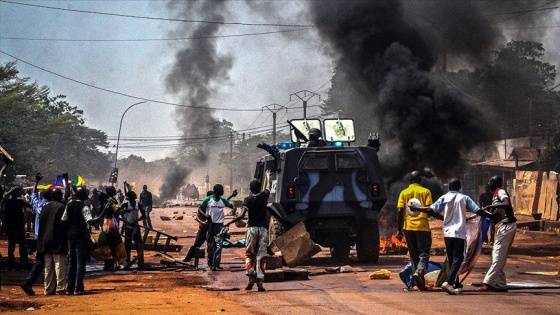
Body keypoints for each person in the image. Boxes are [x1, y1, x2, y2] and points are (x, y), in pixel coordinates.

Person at [411, 178, 496, 295]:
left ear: (449, 188)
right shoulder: (464, 198)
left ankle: (455, 283)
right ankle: (449, 282)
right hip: (459, 232)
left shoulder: (444, 198)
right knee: (459, 258)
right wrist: (491, 215)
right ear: (460, 187)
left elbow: (430, 209)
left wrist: (416, 208)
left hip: (447, 233)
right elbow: (477, 211)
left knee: (451, 259)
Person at [226, 179, 270, 292]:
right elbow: (268, 187)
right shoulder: (264, 196)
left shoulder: (247, 200)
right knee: (261, 256)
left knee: (250, 254)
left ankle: (250, 280)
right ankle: (260, 283)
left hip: (252, 229)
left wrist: (229, 222)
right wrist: (268, 177)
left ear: (250, 189)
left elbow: (241, 216)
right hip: (264, 230)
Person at [63, 186, 106, 295]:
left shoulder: (69, 205)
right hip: (80, 237)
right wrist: (103, 213)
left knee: (72, 262)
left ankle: (69, 288)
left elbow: (63, 220)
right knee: (80, 262)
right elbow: (91, 221)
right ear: (83, 195)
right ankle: (78, 288)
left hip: (70, 236)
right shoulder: (84, 207)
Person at [478, 175, 517, 293]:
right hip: (504, 226)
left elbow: (506, 204)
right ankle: (500, 284)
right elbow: (496, 216)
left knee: (497, 253)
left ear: (494, 183)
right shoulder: (495, 195)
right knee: (498, 254)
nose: (488, 184)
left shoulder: (500, 192)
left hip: (507, 225)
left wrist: (490, 206)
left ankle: (488, 283)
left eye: (490, 182)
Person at [396, 171, 433, 291]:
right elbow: (429, 209)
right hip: (422, 227)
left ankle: (415, 283)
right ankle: (419, 272)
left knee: (413, 256)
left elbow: (399, 211)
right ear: (420, 181)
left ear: (410, 181)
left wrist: (399, 229)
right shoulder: (425, 191)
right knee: (424, 253)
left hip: (408, 227)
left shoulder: (404, 192)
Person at [37, 187, 68, 295]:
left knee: (48, 267)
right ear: (60, 196)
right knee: (60, 266)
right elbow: (64, 224)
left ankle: (48, 289)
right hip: (58, 240)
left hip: (45, 241)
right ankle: (60, 288)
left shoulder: (44, 207)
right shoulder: (62, 207)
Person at [201, 184, 235, 271]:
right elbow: (200, 209)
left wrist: (233, 211)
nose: (223, 192)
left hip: (219, 225)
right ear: (217, 191)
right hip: (210, 225)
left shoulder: (223, 200)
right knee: (210, 245)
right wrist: (205, 215)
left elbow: (232, 206)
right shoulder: (208, 199)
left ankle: (216, 264)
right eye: (221, 190)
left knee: (219, 245)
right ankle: (210, 263)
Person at [117, 182, 146, 267]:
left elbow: (144, 216)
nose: (132, 200)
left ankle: (140, 260)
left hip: (136, 227)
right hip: (128, 227)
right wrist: (124, 211)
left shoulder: (138, 205)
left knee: (138, 244)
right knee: (128, 244)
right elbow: (118, 211)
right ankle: (128, 260)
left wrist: (137, 220)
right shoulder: (126, 205)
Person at [4, 186, 32, 266]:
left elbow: (29, 205)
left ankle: (22, 259)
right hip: (14, 226)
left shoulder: (19, 202)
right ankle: (12, 259)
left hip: (18, 225)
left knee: (21, 243)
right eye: (18, 192)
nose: (20, 193)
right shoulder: (9, 202)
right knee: (14, 244)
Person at [183, 190, 213, 263]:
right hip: (203, 228)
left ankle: (211, 262)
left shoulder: (214, 205)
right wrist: (202, 222)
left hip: (211, 229)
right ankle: (187, 259)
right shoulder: (203, 206)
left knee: (211, 246)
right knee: (196, 245)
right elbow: (197, 217)